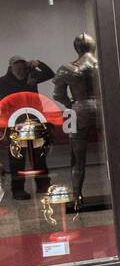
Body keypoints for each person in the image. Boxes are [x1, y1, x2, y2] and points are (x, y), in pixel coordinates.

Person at [53, 34, 99, 206]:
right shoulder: (102, 65)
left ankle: (77, 196)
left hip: (77, 111)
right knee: (113, 152)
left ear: (77, 48)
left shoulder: (67, 68)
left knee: (77, 157)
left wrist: (71, 104)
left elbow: (58, 94)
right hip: (103, 109)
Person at [0, 55, 54, 198]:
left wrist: (38, 63)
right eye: (18, 67)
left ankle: (43, 185)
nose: (21, 70)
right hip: (15, 125)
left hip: (34, 122)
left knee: (39, 156)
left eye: (23, 67)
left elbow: (50, 74)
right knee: (17, 158)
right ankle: (18, 190)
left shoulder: (32, 76)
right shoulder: (2, 82)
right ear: (11, 68)